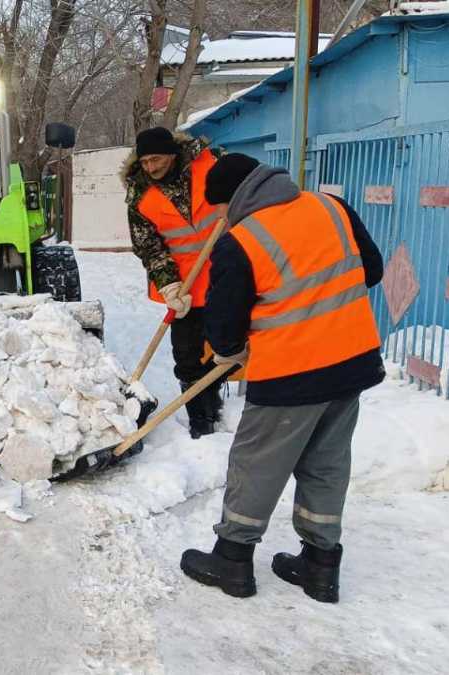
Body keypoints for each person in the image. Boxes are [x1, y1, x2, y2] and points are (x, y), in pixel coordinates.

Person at [180, 153, 385, 603]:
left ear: (233, 199)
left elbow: (224, 327)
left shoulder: (242, 241)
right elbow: (371, 270)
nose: (218, 217)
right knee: (327, 464)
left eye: (217, 208)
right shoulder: (331, 207)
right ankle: (320, 568)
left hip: (291, 376)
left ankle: (232, 560)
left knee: (256, 465)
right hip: (351, 364)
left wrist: (235, 353)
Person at [122, 127, 228, 438]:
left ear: (172, 153)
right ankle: (201, 423)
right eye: (144, 162)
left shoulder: (211, 166)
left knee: (235, 348)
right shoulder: (140, 197)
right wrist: (168, 285)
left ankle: (211, 402)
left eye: (156, 159)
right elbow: (149, 246)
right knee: (186, 357)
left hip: (228, 277)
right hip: (185, 288)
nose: (151, 168)